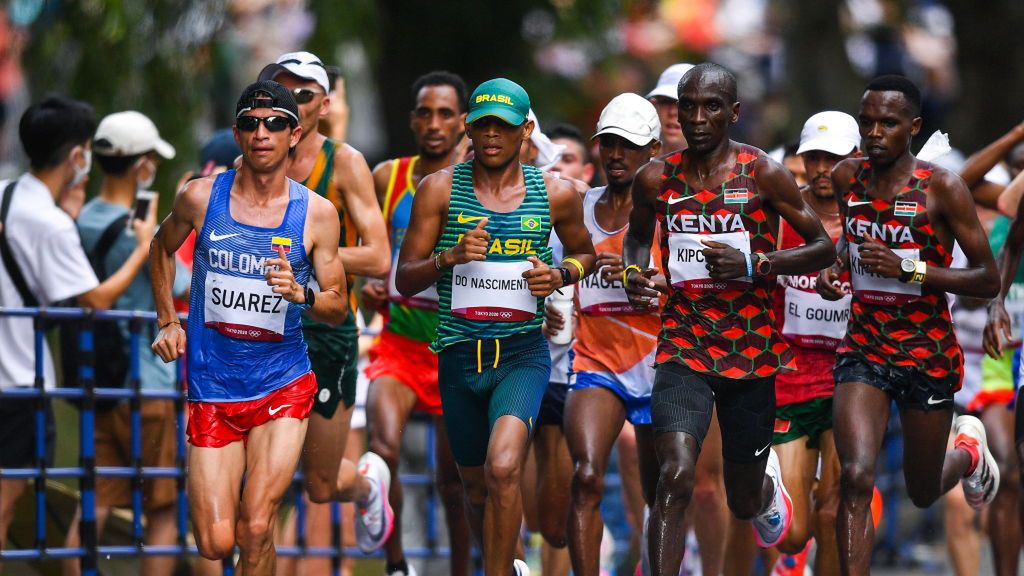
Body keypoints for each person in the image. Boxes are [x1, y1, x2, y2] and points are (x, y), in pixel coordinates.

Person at [149, 80, 377, 573]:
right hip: (213, 386)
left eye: (275, 124)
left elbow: (337, 306)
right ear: (237, 133)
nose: (262, 133)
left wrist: (302, 294)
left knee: (256, 526)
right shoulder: (199, 198)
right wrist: (168, 319)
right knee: (214, 543)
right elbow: (160, 248)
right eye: (250, 123)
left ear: (294, 135)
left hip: (282, 384)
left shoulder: (317, 214)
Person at [622, 63, 836, 576]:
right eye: (688, 107)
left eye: (711, 107)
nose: (697, 118)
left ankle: (765, 488)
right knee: (674, 476)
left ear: (734, 112)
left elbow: (822, 247)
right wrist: (634, 272)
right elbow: (636, 238)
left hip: (751, 350)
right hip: (684, 343)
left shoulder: (762, 172)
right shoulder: (655, 178)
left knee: (741, 499)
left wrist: (754, 264)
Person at [395, 77, 596, 576]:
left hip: (521, 356)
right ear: (468, 127)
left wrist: (561, 275)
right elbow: (405, 276)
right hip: (459, 358)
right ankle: (509, 563)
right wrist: (449, 257)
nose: (491, 136)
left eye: (503, 127)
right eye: (483, 125)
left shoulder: (555, 194)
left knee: (503, 467)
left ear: (525, 130)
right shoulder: (439, 189)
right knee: (476, 488)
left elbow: (585, 254)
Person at [814, 75, 1000, 575]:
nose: (875, 133)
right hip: (864, 346)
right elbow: (851, 240)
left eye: (888, 123)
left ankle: (968, 451)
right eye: (867, 122)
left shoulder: (942, 187)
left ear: (913, 127)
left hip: (926, 351)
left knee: (922, 490)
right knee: (856, 477)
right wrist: (837, 267)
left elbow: (986, 278)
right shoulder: (847, 177)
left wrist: (910, 270)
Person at [0, 96, 154, 572]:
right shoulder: (49, 224)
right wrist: (142, 249)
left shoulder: (5, 194)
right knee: (5, 504)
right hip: (18, 381)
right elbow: (96, 299)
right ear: (75, 157)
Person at [257, 51, 394, 552]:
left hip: (326, 329)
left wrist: (311, 255)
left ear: (325, 104)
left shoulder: (345, 162)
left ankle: (365, 486)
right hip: (264, 330)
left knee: (319, 485)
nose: (291, 101)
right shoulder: (248, 163)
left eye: (304, 93)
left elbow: (379, 256)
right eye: (281, 90)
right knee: (257, 480)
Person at [61, 110, 183, 576]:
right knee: (164, 508)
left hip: (99, 381)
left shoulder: (78, 220)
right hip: (147, 382)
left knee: (93, 506)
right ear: (141, 166)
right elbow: (182, 283)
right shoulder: (139, 232)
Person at [363, 70, 472, 576]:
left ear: (463, 122)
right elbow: (369, 249)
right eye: (425, 113)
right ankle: (396, 565)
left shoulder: (478, 182)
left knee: (454, 481)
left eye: (445, 114)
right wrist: (371, 282)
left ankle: (458, 570)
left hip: (456, 348)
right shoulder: (387, 177)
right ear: (411, 120)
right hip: (400, 345)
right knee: (382, 450)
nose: (434, 124)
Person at [562, 93, 663, 576]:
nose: (617, 155)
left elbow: (699, 288)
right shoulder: (577, 208)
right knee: (585, 477)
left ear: (653, 150)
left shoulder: (672, 213)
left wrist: (647, 281)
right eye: (608, 144)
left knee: (661, 494)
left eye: (629, 145)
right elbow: (550, 273)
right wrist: (555, 296)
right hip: (596, 363)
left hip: (663, 366)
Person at [764, 111, 861, 573]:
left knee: (833, 511)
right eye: (814, 158)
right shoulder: (781, 215)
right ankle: (764, 489)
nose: (823, 169)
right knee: (792, 534)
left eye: (834, 158)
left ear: (855, 158)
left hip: (851, 378)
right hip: (789, 380)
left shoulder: (870, 217)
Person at [646, 63, 694, 154]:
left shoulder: (720, 162)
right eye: (665, 102)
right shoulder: (637, 160)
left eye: (685, 104)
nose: (672, 112)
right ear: (654, 107)